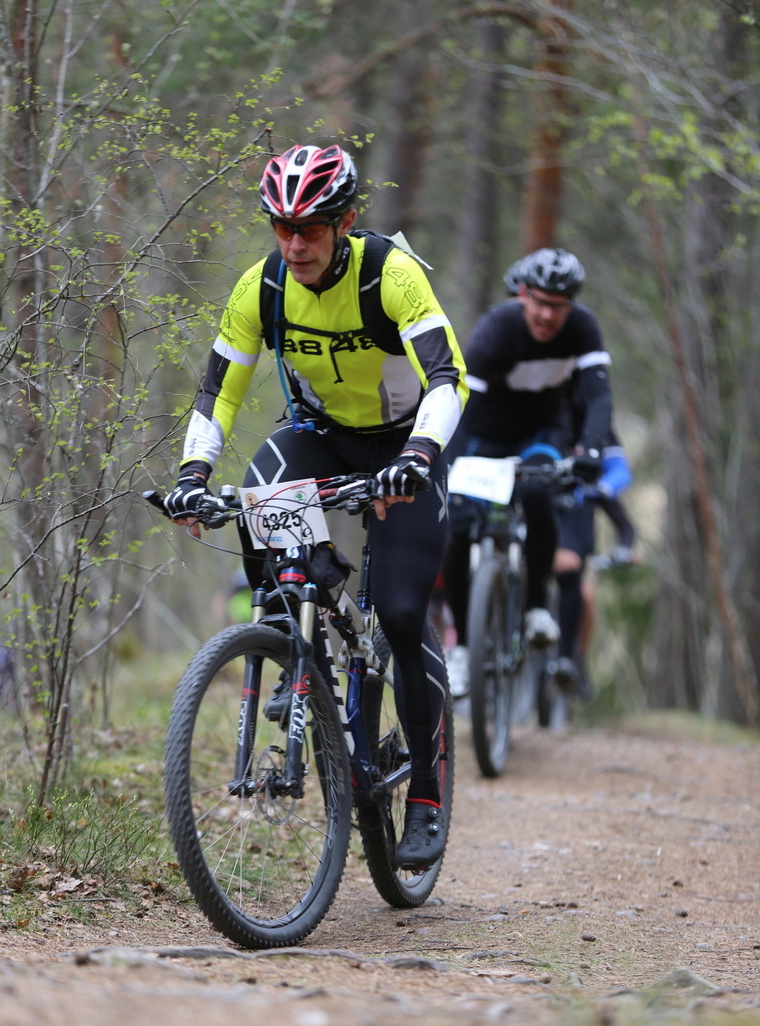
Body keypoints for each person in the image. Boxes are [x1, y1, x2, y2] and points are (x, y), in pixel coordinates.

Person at [163, 143, 468, 870]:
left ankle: (424, 793)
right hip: (324, 438)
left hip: (404, 445)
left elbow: (447, 376)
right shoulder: (261, 286)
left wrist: (419, 457)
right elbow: (219, 390)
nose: (295, 244)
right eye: (282, 227)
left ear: (346, 222)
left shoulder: (389, 276)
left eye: (312, 228)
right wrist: (192, 470)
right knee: (257, 488)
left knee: (398, 613)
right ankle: (286, 629)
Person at [442, 247, 613, 698]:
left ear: (570, 305)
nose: (546, 314)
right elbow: (460, 405)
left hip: (539, 434)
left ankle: (536, 604)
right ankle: (461, 648)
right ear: (522, 294)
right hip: (483, 434)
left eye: (557, 306)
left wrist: (592, 448)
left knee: (540, 492)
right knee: (457, 527)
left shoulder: (582, 329)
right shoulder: (497, 330)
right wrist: (451, 465)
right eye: (538, 301)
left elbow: (598, 397)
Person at [553, 437, 636, 698]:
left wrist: (626, 549)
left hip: (582, 554)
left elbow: (625, 525)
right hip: (543, 551)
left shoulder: (592, 486)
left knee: (586, 597)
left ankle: (578, 658)